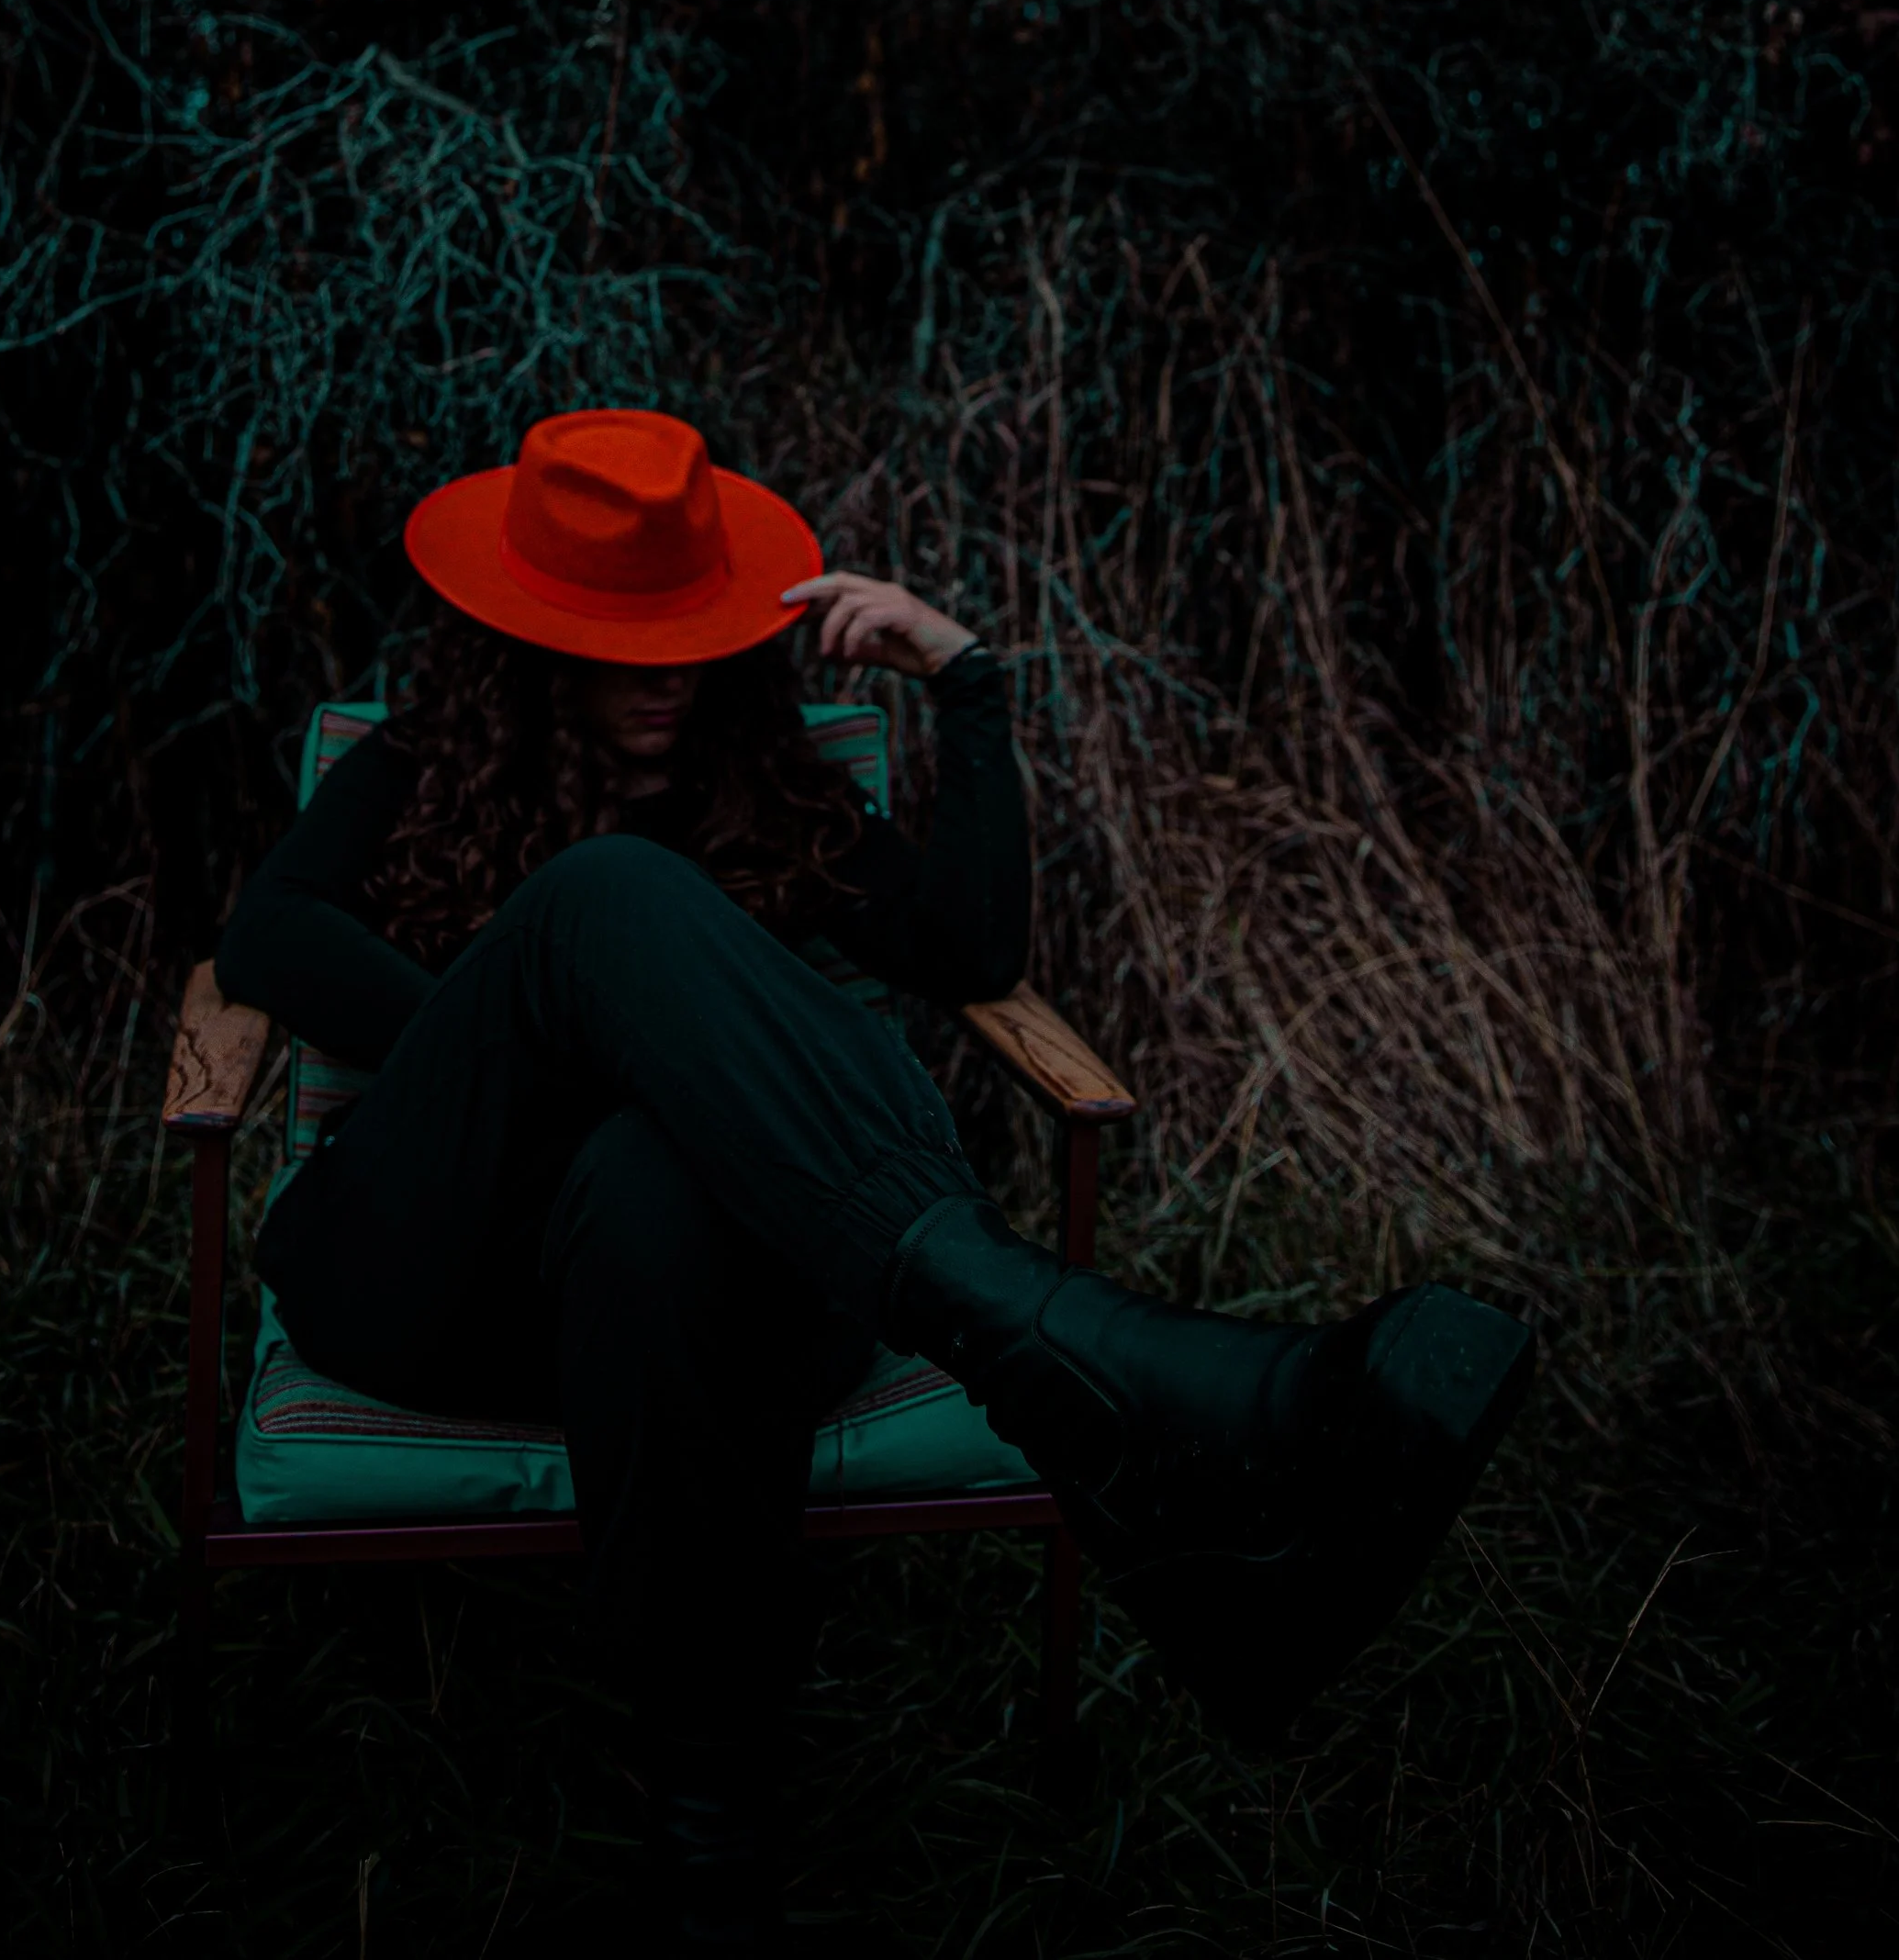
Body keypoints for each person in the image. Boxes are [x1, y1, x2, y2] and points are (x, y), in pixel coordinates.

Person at [217, 409, 1533, 1953]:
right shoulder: (431, 761)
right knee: (600, 909)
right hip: (434, 1276)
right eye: (618, 636)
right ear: (534, 638)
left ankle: (712, 1846)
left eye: (686, 635)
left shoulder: (766, 787)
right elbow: (270, 936)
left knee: (657, 1183)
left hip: (693, 1297)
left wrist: (964, 679)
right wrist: (528, 1032)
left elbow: (975, 951)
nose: (662, 675)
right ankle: (1108, 1369)